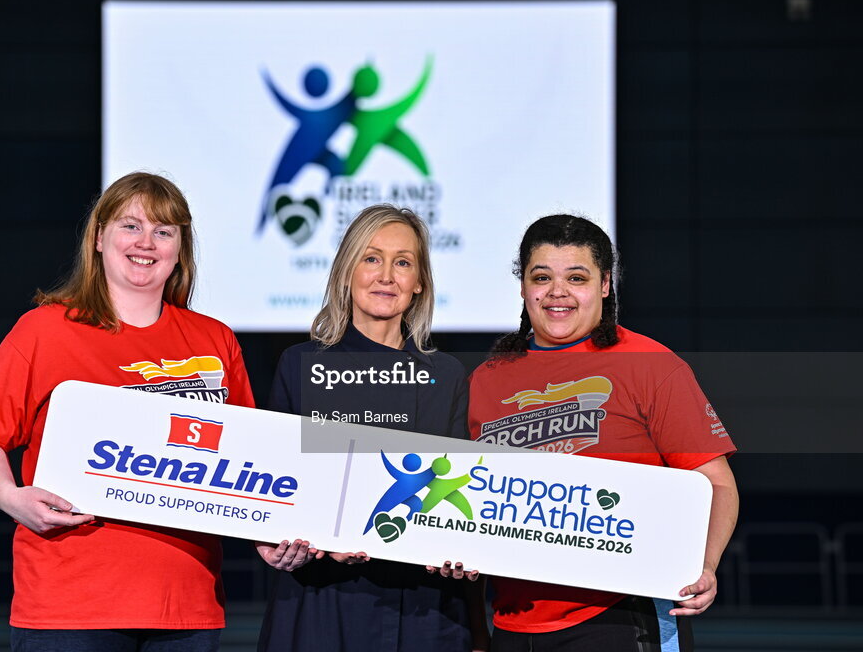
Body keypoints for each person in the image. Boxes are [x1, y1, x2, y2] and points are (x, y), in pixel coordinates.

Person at [0, 172, 255, 652]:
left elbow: (245, 461)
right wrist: (12, 499)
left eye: (164, 231)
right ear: (98, 238)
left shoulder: (214, 339)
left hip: (186, 605)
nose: (146, 242)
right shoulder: (44, 330)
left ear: (181, 248)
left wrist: (273, 537)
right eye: (130, 226)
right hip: (69, 605)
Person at [468, 214, 739, 652]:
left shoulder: (651, 364)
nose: (558, 292)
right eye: (542, 277)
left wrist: (704, 565)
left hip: (620, 615)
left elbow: (717, 482)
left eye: (576, 277)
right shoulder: (486, 379)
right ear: (523, 288)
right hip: (513, 624)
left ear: (605, 285)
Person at [256, 205, 489, 652]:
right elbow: (274, 486)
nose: (387, 275)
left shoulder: (446, 375)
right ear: (346, 271)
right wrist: (293, 537)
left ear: (419, 282)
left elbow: (461, 492)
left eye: (403, 262)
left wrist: (465, 550)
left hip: (425, 607)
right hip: (322, 600)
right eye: (371, 258)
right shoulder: (301, 365)